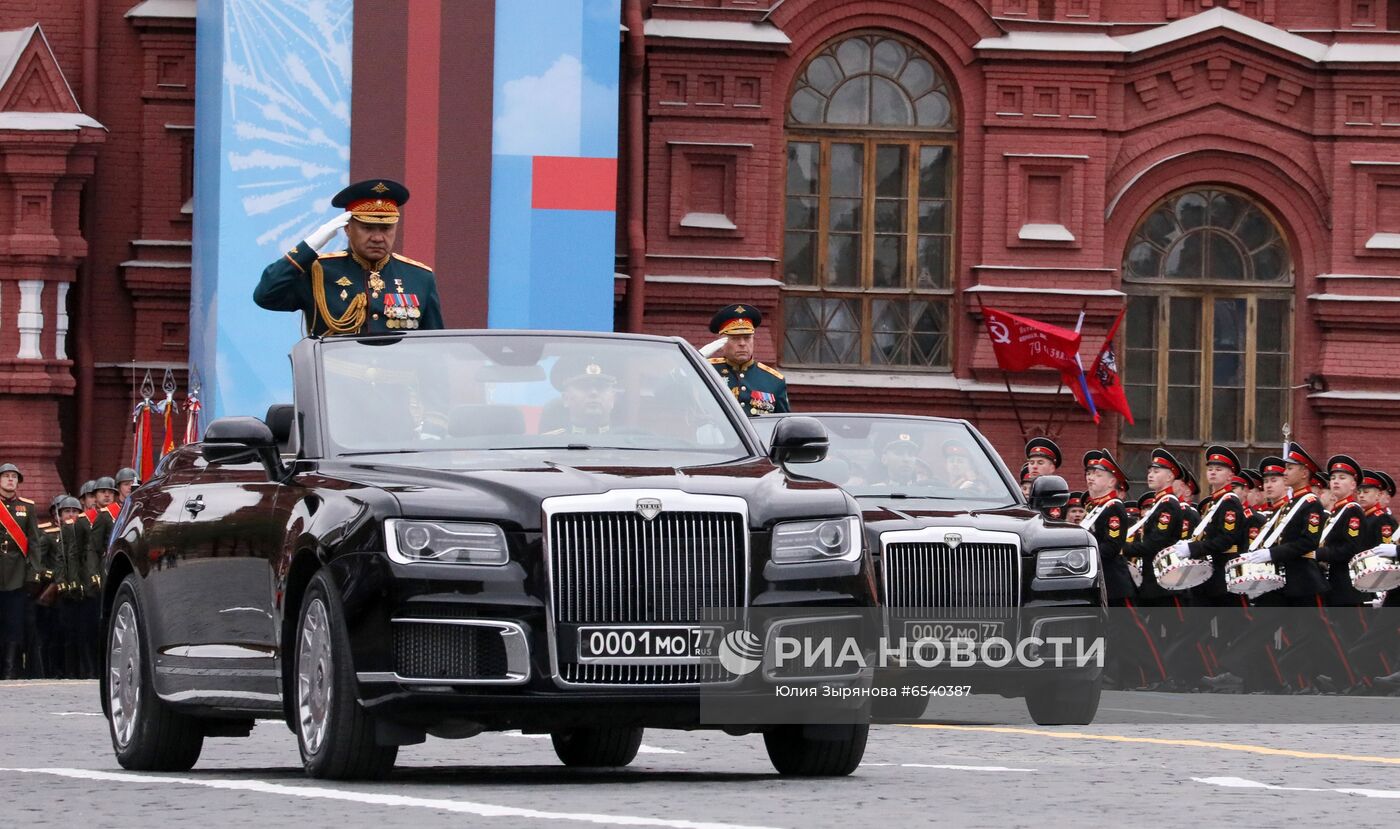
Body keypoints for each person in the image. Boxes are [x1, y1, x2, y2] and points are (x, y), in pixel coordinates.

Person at [254, 179, 444, 336]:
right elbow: (265, 295)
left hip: (398, 381)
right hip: (337, 380)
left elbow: (434, 347)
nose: (378, 238)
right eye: (367, 228)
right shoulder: (319, 271)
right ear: (347, 228)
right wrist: (309, 246)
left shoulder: (419, 277)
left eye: (386, 229)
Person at [707, 304, 789, 417]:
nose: (742, 343)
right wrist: (697, 358)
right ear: (721, 343)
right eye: (735, 338)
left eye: (747, 338)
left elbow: (782, 423)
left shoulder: (774, 380)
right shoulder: (706, 370)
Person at [0, 463, 41, 679]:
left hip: (17, 574)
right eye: (6, 476)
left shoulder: (27, 507)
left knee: (14, 623)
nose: (10, 480)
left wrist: (34, 572)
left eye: (14, 477)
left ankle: (9, 668)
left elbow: (34, 542)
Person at [545, 355, 620, 437]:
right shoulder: (550, 445)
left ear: (613, 398)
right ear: (565, 398)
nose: (593, 392)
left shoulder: (630, 443)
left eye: (601, 386)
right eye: (584, 386)